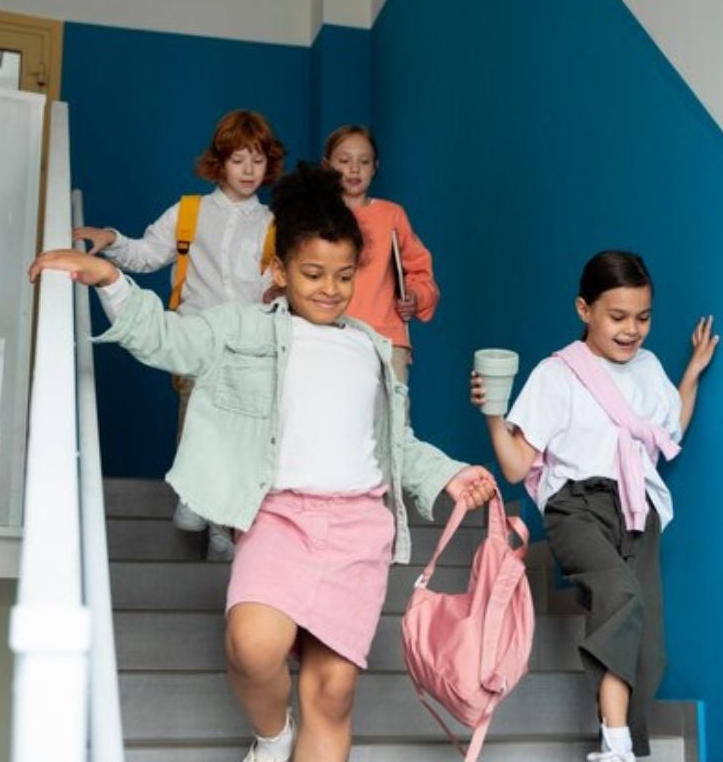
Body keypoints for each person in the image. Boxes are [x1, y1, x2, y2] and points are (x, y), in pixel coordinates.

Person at [31, 163, 498, 762]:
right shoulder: (242, 329)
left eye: (344, 275)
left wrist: (450, 473)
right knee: (252, 646)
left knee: (332, 692)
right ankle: (274, 737)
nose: (329, 288)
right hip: (277, 516)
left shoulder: (373, 348)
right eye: (312, 274)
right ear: (279, 270)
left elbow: (395, 443)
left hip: (358, 528)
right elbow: (169, 340)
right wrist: (109, 280)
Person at [470, 250, 718, 761]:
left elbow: (668, 431)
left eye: (644, 318)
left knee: (649, 650)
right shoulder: (555, 374)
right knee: (621, 595)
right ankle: (616, 745)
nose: (632, 330)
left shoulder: (649, 369)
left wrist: (690, 375)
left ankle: (625, 747)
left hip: (637, 510)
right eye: (618, 317)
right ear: (585, 310)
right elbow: (517, 468)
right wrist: (494, 416)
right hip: (576, 508)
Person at [73, 109, 285, 559]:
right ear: (219, 162)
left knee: (238, 432)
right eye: (238, 159)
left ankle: (221, 530)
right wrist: (111, 238)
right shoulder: (188, 212)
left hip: (249, 344)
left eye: (258, 160)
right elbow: (149, 254)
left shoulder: (273, 223)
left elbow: (281, 283)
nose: (249, 170)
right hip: (195, 335)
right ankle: (193, 495)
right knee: (196, 412)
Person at [322, 125, 438, 392]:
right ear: (326, 166)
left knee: (392, 421)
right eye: (344, 161)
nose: (354, 169)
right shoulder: (317, 216)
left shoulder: (391, 215)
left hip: (386, 339)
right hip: (329, 334)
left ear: (375, 166)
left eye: (363, 162)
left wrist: (415, 297)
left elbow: (421, 273)